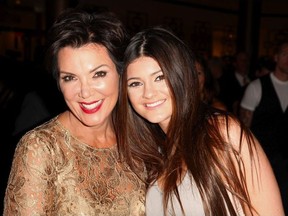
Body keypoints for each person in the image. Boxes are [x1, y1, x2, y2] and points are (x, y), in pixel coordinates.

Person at [118, 26, 284, 216]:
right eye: (135, 83)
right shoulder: (151, 152)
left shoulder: (222, 133)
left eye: (160, 77)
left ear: (181, 77)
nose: (148, 93)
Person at [3, 8, 146, 215]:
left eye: (98, 74)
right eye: (70, 78)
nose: (85, 92)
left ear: (121, 73)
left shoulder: (139, 140)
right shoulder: (41, 149)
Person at [239, 40, 288, 214]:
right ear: (276, 57)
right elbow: (244, 128)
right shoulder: (257, 87)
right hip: (262, 160)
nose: (287, 58)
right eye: (284, 53)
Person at [218, 51, 251, 116]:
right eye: (241, 60)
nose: (245, 63)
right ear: (234, 63)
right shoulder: (226, 81)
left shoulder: (254, 79)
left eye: (246, 60)